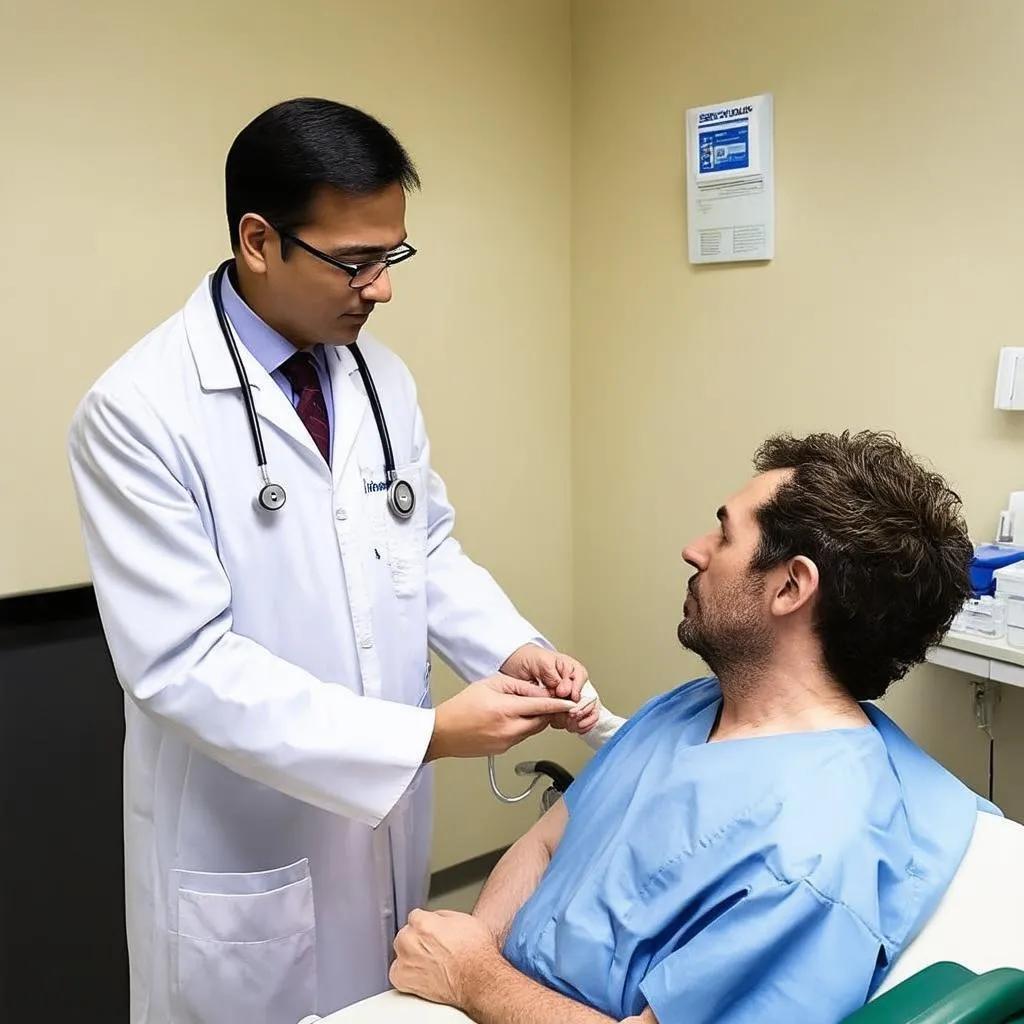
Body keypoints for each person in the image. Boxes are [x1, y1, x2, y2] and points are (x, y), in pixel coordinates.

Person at [67, 97, 619, 1024]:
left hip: (378, 833)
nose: (381, 288)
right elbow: (181, 666)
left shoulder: (377, 377)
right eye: (355, 262)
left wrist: (509, 650)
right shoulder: (138, 412)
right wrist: (426, 737)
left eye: (391, 257)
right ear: (258, 240)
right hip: (243, 851)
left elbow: (424, 543)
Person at [389, 429, 999, 1024]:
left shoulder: (807, 863)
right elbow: (547, 845)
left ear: (791, 586)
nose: (695, 548)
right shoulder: (693, 707)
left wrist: (473, 979)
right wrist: (470, 958)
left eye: (725, 533)